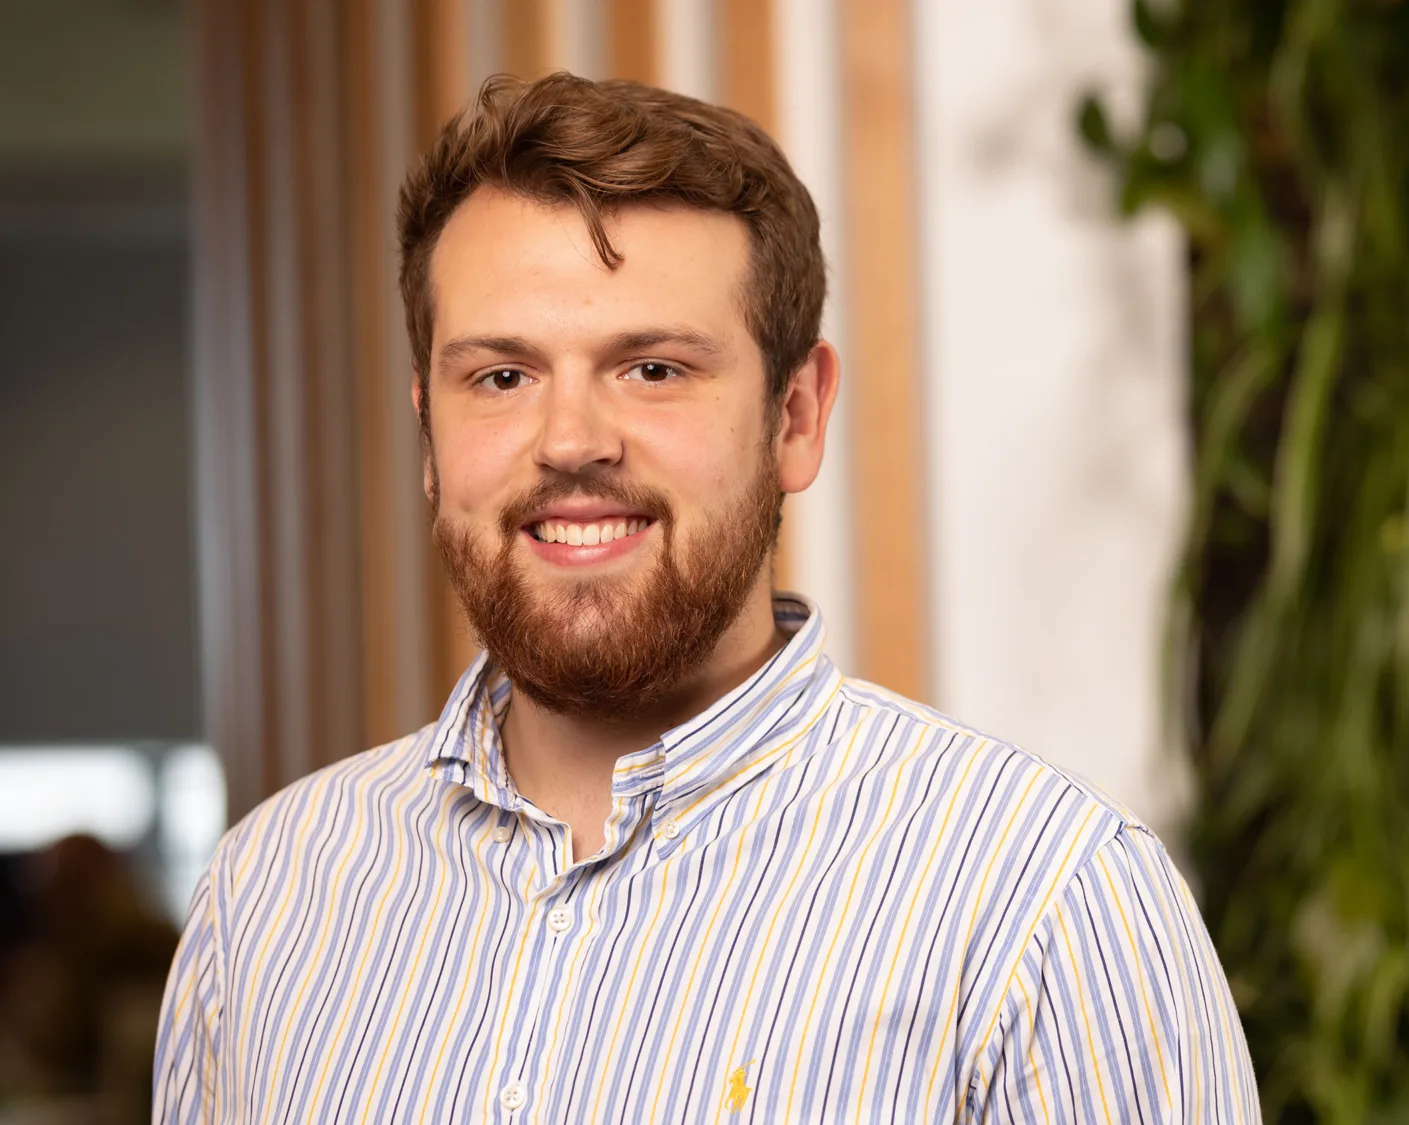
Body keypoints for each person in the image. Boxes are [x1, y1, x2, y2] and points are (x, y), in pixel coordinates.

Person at [153, 72, 1258, 1123]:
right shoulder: (267, 899)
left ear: (795, 417)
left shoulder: (1040, 904)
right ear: (429, 429)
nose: (571, 442)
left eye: (653, 369)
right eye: (501, 376)